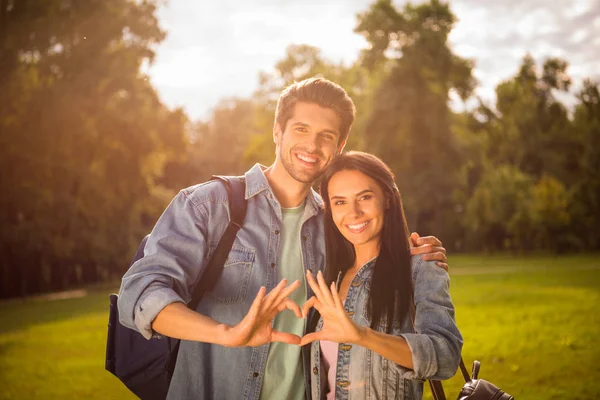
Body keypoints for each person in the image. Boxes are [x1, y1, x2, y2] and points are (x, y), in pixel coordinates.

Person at [117, 77, 449, 400]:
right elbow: (141, 292)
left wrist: (416, 253)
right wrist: (226, 334)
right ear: (278, 131)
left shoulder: (335, 226)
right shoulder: (208, 205)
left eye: (326, 135)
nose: (312, 146)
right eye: (301, 129)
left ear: (339, 146)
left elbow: (374, 256)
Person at [300, 151, 462, 400]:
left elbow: (446, 356)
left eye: (364, 197)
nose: (353, 212)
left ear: (388, 198)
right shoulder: (328, 276)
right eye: (340, 202)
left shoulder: (419, 267)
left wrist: (362, 336)